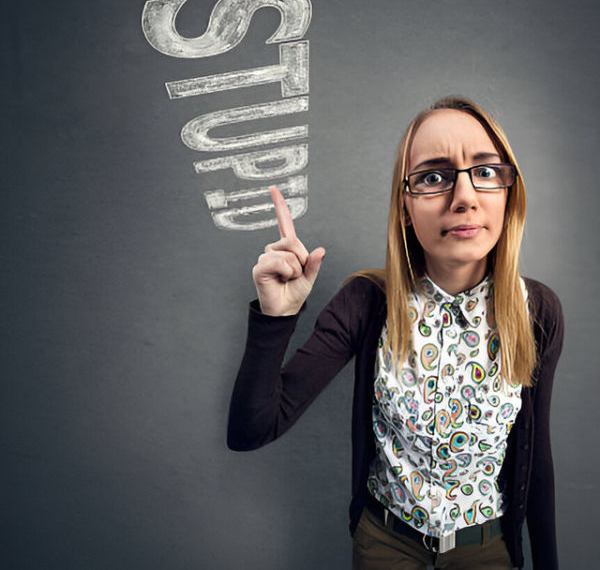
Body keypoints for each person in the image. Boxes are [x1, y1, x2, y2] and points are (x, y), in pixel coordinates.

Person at [227, 96, 563, 569]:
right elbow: (250, 429)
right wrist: (275, 317)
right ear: (405, 209)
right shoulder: (366, 301)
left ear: (509, 193)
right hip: (385, 545)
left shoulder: (538, 311)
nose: (464, 197)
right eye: (432, 177)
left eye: (485, 171)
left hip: (486, 549)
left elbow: (538, 461)